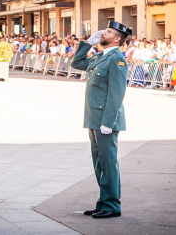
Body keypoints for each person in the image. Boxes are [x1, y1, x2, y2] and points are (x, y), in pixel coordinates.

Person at [71, 20, 131, 219]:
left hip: (105, 120)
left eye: (107, 32)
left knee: (108, 162)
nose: (102, 33)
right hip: (94, 118)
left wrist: (108, 122)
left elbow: (116, 92)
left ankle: (112, 205)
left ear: (116, 38)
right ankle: (104, 202)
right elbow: (77, 63)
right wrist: (87, 43)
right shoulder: (100, 56)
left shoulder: (116, 59)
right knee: (99, 164)